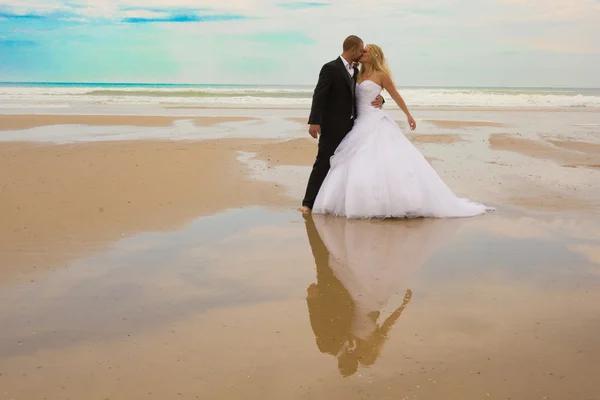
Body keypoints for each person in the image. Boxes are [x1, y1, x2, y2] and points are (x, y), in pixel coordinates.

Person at [311, 44, 495, 219]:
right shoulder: (355, 74)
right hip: (359, 122)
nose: (361, 54)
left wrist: (408, 115)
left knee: (383, 159)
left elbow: (395, 95)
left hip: (375, 120)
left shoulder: (381, 75)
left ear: (374, 55)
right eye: (361, 51)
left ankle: (395, 203)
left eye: (365, 52)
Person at [299, 35, 384, 213]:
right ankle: (308, 203)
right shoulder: (331, 68)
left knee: (348, 164)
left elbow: (363, 93)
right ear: (352, 49)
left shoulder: (356, 71)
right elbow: (319, 94)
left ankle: (342, 201)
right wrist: (314, 121)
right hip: (331, 125)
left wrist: (381, 98)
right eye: (361, 50)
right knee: (323, 160)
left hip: (352, 126)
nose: (362, 53)